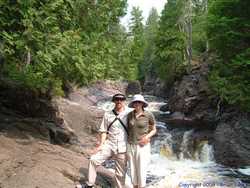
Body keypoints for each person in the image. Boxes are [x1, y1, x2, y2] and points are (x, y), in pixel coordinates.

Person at [84, 93, 129, 188]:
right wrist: (101, 144)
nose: (119, 101)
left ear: (124, 101)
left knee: (120, 173)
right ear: (114, 101)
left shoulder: (128, 115)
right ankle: (90, 184)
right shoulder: (108, 114)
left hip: (123, 146)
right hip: (109, 145)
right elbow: (104, 131)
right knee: (93, 160)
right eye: (117, 99)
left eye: (121, 99)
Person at [127, 94, 157, 188]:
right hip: (130, 145)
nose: (137, 104)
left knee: (141, 169)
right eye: (135, 102)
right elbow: (128, 130)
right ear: (133, 104)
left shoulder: (148, 115)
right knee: (132, 170)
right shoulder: (129, 115)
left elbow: (154, 129)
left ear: (142, 103)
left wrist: (147, 137)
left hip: (142, 146)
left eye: (139, 102)